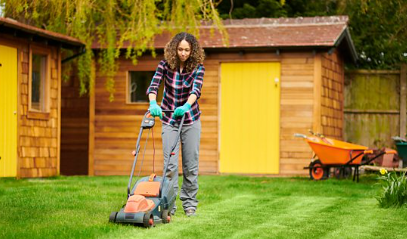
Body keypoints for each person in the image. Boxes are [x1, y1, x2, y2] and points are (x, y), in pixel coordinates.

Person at [146, 32, 205, 217]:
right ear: (174, 49)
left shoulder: (198, 68)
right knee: (170, 166)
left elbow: (196, 89)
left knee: (190, 165)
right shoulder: (165, 65)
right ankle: (169, 205)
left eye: (187, 50)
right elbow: (154, 86)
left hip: (190, 120)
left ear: (192, 51)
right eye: (180, 49)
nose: (183, 53)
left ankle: (189, 205)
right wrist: (153, 103)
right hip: (170, 120)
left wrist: (187, 105)